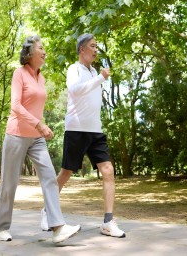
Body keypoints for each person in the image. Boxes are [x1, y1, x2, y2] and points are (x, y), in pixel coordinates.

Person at [0, 35, 81, 243]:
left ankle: (58, 228)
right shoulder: (19, 74)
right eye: (41, 48)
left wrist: (40, 128)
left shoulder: (41, 78)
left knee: (50, 177)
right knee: (10, 183)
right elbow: (15, 105)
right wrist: (39, 124)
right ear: (30, 53)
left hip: (36, 138)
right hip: (16, 134)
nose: (44, 51)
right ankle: (2, 227)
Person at [41, 33, 125, 238]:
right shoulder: (74, 69)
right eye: (93, 46)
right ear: (82, 49)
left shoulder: (95, 71)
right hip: (76, 129)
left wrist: (98, 77)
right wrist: (100, 79)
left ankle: (108, 222)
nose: (96, 50)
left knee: (108, 170)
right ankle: (46, 211)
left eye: (97, 46)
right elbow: (75, 91)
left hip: (95, 130)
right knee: (67, 172)